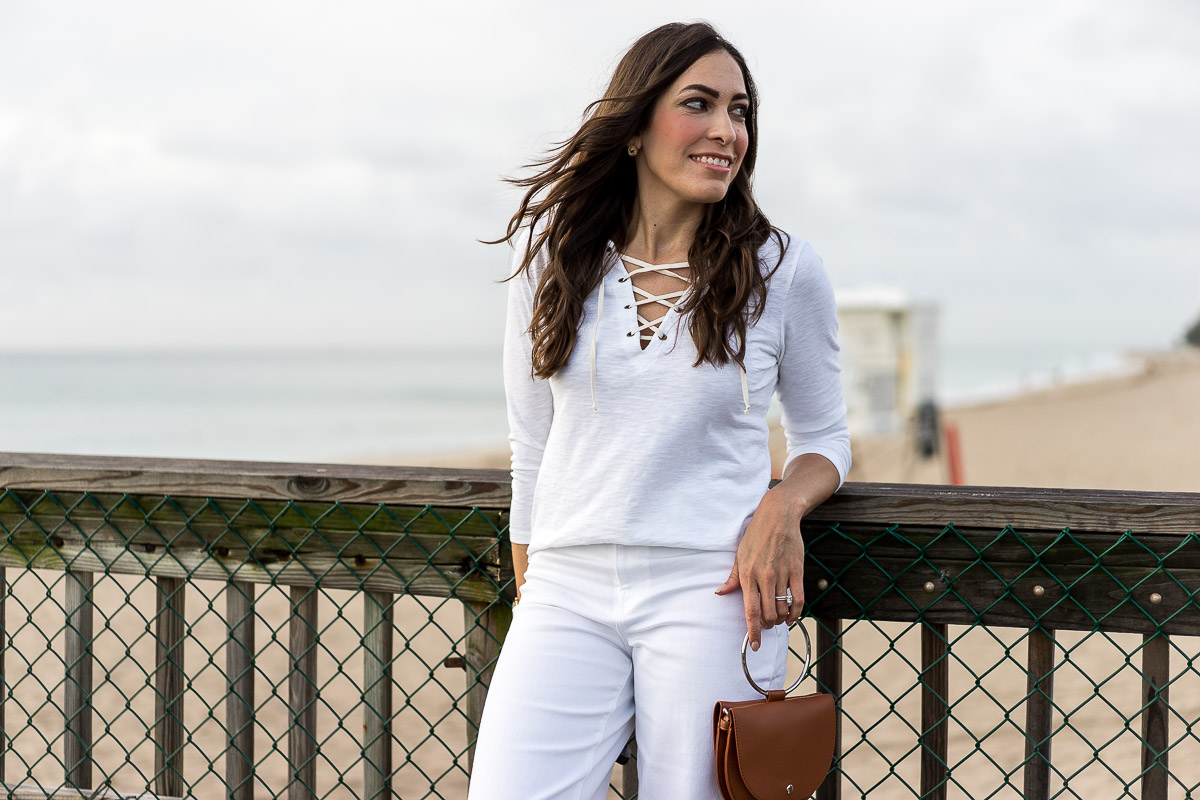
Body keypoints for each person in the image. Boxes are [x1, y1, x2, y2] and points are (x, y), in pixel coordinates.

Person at [468, 21, 851, 800]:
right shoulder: (551, 251)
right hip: (565, 587)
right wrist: (532, 588)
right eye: (698, 104)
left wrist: (783, 503)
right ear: (636, 126)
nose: (726, 131)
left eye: (740, 112)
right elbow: (531, 445)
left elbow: (825, 438)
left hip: (714, 592)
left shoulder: (783, 270)